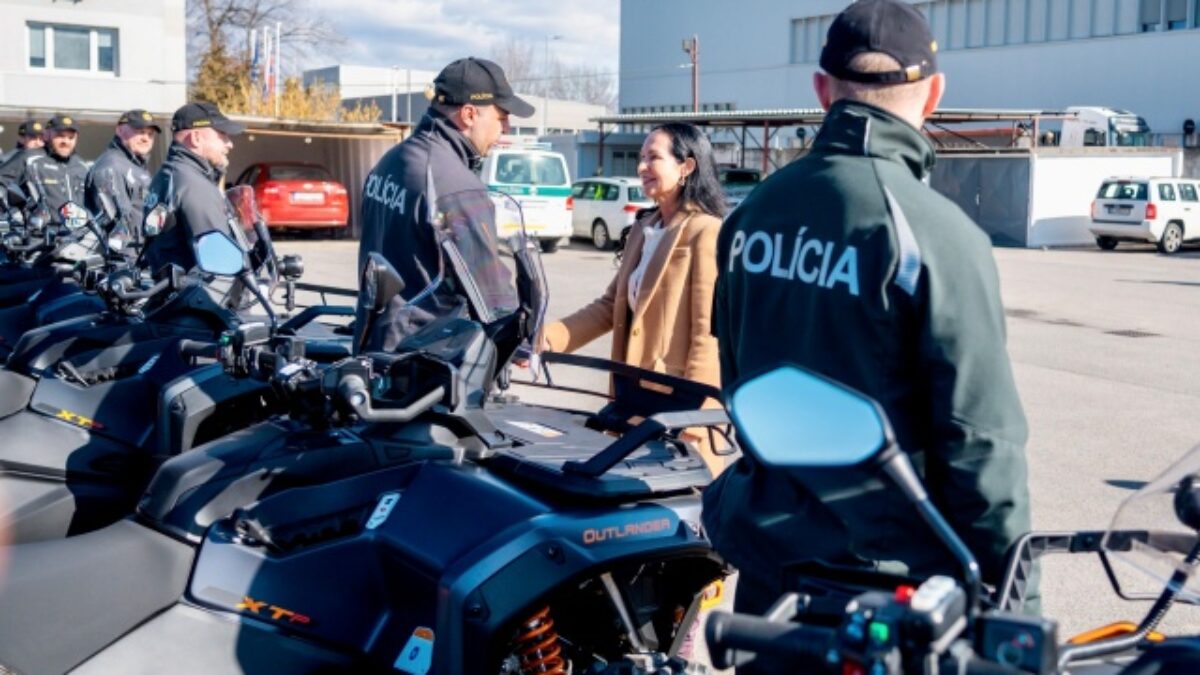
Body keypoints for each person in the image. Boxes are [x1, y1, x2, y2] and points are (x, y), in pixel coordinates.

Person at [702, 0, 1032, 628]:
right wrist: (1019, 610)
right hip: (881, 596)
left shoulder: (751, 216)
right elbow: (982, 445)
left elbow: (738, 382)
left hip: (769, 579)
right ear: (933, 95)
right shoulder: (940, 236)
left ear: (822, 90)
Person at [538, 123, 728, 476]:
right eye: (641, 157)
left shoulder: (706, 232)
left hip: (675, 413)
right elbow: (610, 306)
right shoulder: (644, 229)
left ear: (686, 167)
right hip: (632, 403)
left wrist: (693, 425)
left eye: (653, 157)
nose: (641, 167)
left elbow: (709, 336)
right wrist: (548, 337)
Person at [356, 57, 535, 352]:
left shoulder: (392, 160)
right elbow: (490, 289)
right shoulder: (455, 185)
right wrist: (521, 341)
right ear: (469, 114)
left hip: (374, 340)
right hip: (421, 361)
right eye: (501, 116)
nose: (507, 127)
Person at [140, 102, 244, 273]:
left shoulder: (169, 174)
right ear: (196, 138)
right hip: (194, 294)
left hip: (171, 288)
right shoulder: (193, 185)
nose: (230, 144)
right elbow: (219, 262)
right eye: (223, 135)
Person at [85, 109, 161, 244]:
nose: (146, 138)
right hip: (127, 258)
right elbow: (116, 227)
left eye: (150, 134)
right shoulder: (111, 166)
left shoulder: (137, 166)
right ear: (120, 131)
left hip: (142, 253)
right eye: (140, 132)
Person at [8, 114, 88, 214]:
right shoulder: (29, 159)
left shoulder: (81, 166)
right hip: (41, 228)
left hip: (76, 228)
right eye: (60, 136)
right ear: (46, 135)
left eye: (71, 138)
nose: (66, 141)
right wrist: (15, 213)